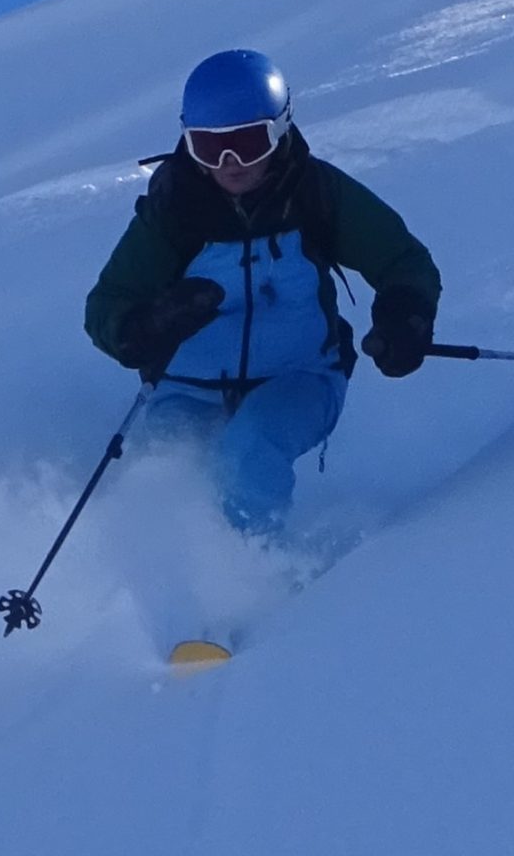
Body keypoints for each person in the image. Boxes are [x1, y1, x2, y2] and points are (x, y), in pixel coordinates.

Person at [85, 49, 440, 534]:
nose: (231, 164)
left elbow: (401, 260)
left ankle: (258, 579)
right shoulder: (173, 214)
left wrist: (405, 317)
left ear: (280, 129)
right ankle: (160, 595)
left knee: (250, 448)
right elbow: (108, 304)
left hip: (299, 377)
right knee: (162, 477)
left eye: (248, 144)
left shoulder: (314, 194)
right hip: (186, 389)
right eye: (211, 149)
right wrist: (144, 327)